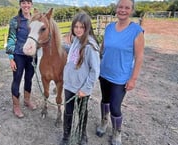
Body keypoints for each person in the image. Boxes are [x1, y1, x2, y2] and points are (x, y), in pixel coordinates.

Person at [95, 0, 145, 145]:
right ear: (116, 9)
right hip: (104, 73)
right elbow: (102, 48)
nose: (123, 10)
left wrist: (133, 79)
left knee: (115, 106)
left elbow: (139, 57)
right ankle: (104, 123)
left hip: (121, 77)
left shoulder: (136, 31)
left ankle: (117, 132)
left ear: (131, 10)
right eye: (120, 7)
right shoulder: (109, 27)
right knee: (104, 100)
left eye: (127, 7)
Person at [60, 12, 100, 145]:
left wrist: (86, 88)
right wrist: (61, 46)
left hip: (81, 88)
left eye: (81, 27)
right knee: (68, 111)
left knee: (82, 112)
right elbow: (73, 52)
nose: (78, 30)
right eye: (76, 27)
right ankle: (66, 136)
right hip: (69, 84)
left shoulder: (90, 46)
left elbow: (95, 71)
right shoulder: (76, 40)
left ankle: (83, 135)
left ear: (87, 27)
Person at [6, 0, 36, 118]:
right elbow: (11, 39)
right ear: (20, 5)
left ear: (31, 5)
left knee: (29, 79)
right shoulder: (15, 21)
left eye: (28, 2)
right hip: (19, 55)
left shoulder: (35, 20)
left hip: (32, 56)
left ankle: (27, 100)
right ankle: (16, 106)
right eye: (23, 3)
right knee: (17, 79)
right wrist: (11, 58)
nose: (26, 5)